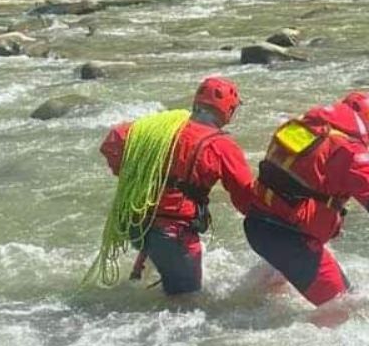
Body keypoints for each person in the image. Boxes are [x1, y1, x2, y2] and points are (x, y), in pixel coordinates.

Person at [243, 92, 369, 307]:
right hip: (291, 239)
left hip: (257, 225)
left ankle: (250, 313)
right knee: (346, 307)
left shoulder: (306, 128)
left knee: (276, 281)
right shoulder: (348, 150)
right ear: (364, 118)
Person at [98, 76, 256, 295]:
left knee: (159, 253)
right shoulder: (221, 146)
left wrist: (129, 174)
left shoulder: (161, 129)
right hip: (174, 236)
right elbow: (246, 197)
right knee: (186, 304)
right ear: (228, 110)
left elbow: (113, 140)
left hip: (136, 223)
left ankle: (141, 272)